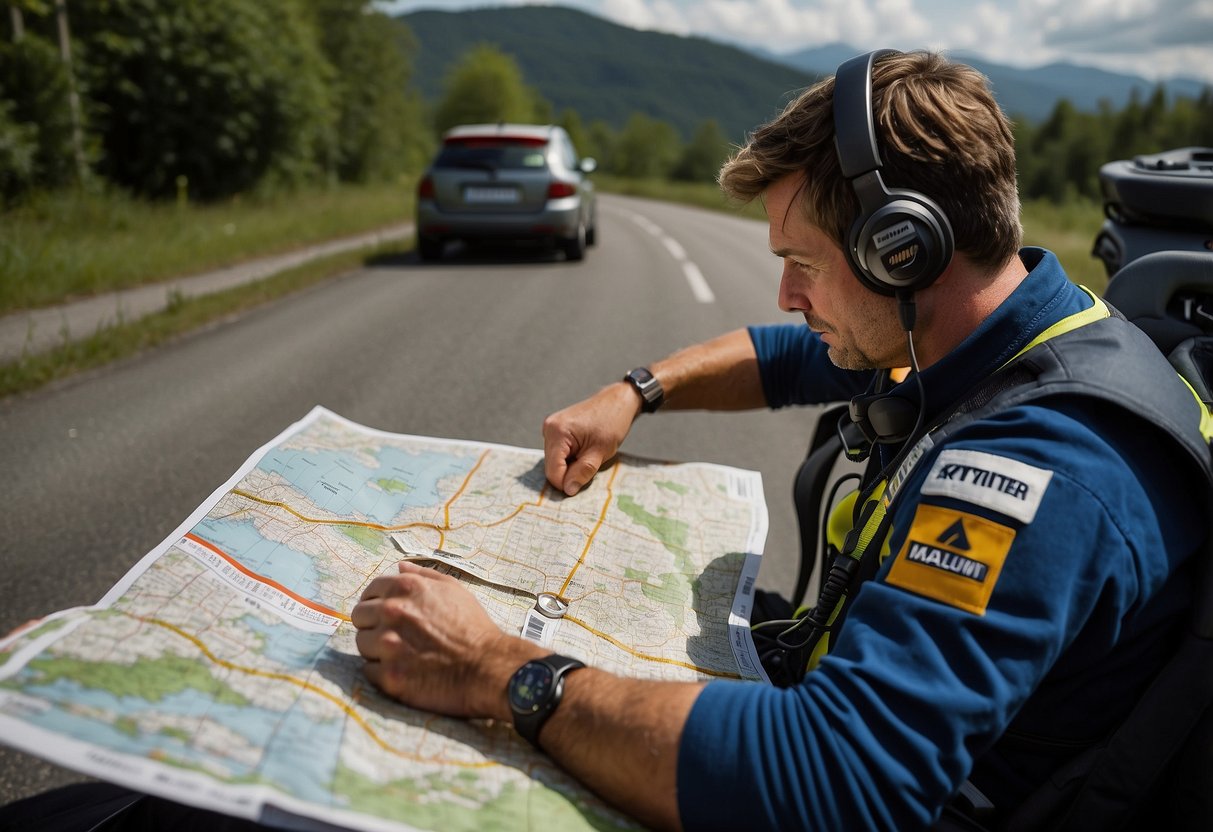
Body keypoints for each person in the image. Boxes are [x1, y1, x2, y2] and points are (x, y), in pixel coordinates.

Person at [352, 49, 1213, 830]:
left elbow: (831, 778)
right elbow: (790, 358)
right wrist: (636, 392)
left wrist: (497, 669)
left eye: (801, 263)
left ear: (902, 251)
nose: (785, 296)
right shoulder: (977, 334)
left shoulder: (1047, 459)